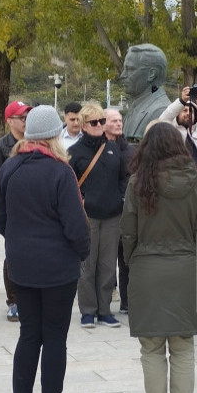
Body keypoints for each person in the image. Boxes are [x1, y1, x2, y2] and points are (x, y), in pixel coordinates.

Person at [0, 106, 90, 393]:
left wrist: (21, 241)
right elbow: (76, 226)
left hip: (21, 266)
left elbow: (0, 219)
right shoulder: (60, 171)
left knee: (28, 335)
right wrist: (82, 252)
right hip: (58, 268)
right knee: (55, 339)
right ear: (53, 135)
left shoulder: (10, 167)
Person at [120, 123, 197, 393]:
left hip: (147, 269)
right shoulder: (195, 182)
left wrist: (132, 261)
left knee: (152, 347)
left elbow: (128, 230)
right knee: (184, 347)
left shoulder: (137, 183)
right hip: (183, 269)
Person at [69, 102, 129, 328]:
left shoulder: (112, 148)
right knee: (87, 265)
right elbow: (69, 182)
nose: (99, 125)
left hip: (112, 215)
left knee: (107, 265)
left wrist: (120, 197)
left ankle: (105, 310)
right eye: (94, 122)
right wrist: (80, 201)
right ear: (84, 125)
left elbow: (124, 177)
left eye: (101, 121)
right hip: (88, 216)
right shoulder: (74, 152)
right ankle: (88, 311)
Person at [0, 100, 31, 321]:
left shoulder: (35, 143)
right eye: (21, 118)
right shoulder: (0, 147)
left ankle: (29, 298)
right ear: (10, 121)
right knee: (12, 256)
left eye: (27, 118)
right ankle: (13, 300)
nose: (25, 122)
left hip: (33, 212)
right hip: (11, 213)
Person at [105, 108, 136, 314]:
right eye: (114, 120)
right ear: (104, 123)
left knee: (126, 260)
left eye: (120, 120)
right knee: (106, 262)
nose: (118, 123)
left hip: (126, 212)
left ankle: (127, 302)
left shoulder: (131, 151)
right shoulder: (99, 149)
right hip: (106, 212)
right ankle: (103, 303)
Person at [119, 44, 171, 141]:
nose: (122, 75)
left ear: (151, 74)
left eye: (130, 69)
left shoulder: (161, 111)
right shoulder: (136, 106)